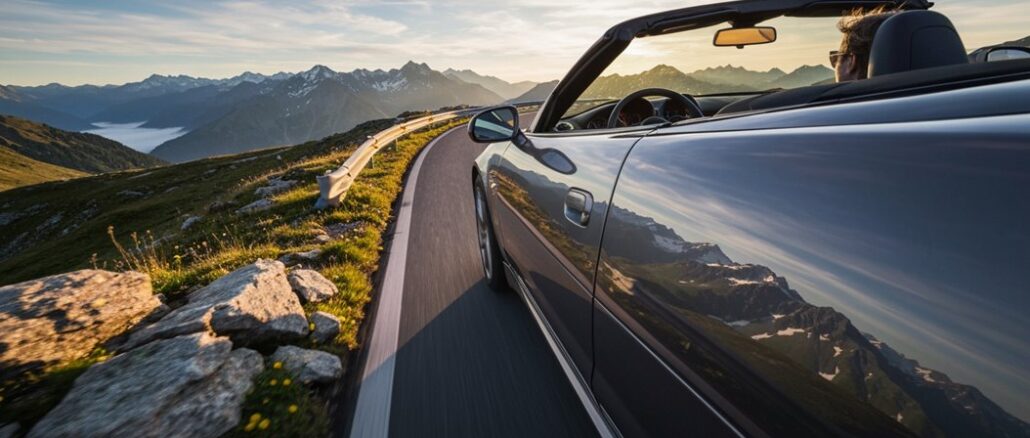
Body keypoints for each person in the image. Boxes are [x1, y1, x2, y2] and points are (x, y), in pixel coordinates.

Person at [831, 6, 899, 82]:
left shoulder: (861, 93)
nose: (835, 66)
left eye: (835, 59)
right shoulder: (911, 85)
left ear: (851, 62)